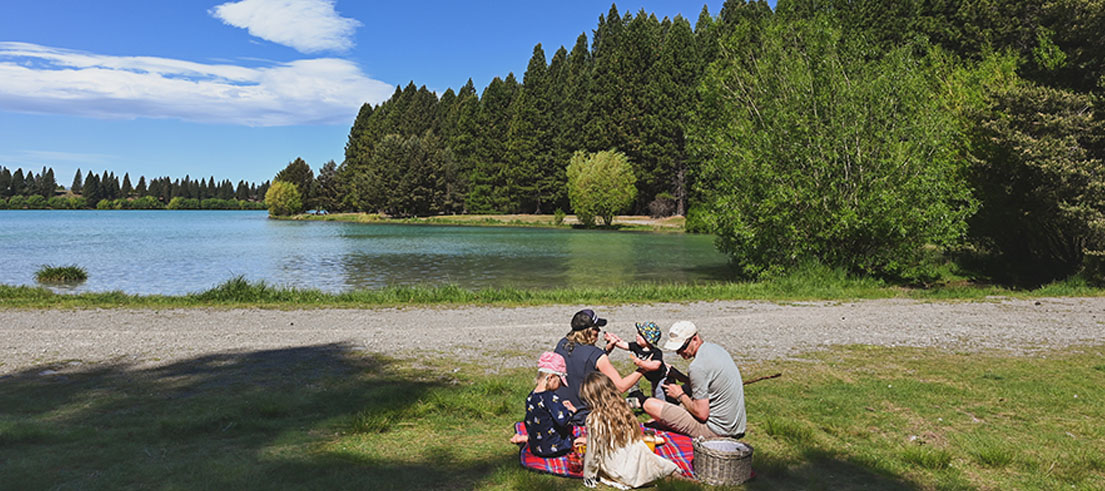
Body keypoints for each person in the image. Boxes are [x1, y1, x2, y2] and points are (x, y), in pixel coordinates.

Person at [640, 321, 746, 439]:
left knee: (649, 404)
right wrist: (680, 377)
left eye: (682, 348)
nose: (679, 352)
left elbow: (701, 414)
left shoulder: (697, 367)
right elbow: (703, 386)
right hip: (735, 425)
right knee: (684, 390)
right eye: (677, 349)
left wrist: (679, 395)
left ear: (695, 339)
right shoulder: (715, 350)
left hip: (716, 431)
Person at [579, 371, 678, 489]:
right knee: (658, 466)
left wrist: (589, 475)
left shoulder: (594, 418)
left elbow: (593, 452)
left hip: (620, 469)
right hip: (637, 458)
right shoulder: (622, 408)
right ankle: (674, 477)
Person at [554, 309, 647, 424]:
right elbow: (621, 387)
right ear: (588, 331)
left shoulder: (561, 344)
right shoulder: (596, 355)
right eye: (596, 328)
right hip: (585, 416)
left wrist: (605, 351)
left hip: (561, 411)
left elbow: (580, 364)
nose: (599, 331)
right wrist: (644, 368)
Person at [603, 321, 684, 407]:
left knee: (661, 395)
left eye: (641, 335)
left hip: (662, 378)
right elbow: (624, 344)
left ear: (649, 339)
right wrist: (613, 340)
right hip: (652, 378)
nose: (637, 335)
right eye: (638, 333)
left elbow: (656, 365)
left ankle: (666, 409)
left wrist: (642, 363)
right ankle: (656, 406)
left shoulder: (655, 352)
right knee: (655, 393)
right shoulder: (637, 346)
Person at [514, 351, 579, 457]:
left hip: (536, 447)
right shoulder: (550, 397)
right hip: (555, 448)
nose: (560, 386)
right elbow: (563, 421)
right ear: (550, 378)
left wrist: (558, 406)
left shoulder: (531, 396)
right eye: (559, 381)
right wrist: (571, 411)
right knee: (571, 434)